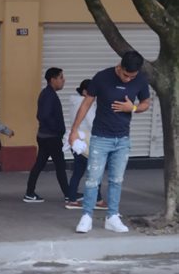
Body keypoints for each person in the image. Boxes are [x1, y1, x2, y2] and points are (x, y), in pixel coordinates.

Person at [71, 50, 151, 234]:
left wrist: (133, 107)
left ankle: (112, 217)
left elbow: (146, 102)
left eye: (132, 76)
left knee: (116, 180)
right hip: (100, 138)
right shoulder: (102, 77)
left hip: (123, 139)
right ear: (119, 66)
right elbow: (86, 104)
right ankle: (86, 217)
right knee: (93, 179)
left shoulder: (140, 80)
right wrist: (74, 130)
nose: (128, 79)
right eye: (125, 75)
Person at [23, 67, 70, 203]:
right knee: (60, 165)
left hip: (46, 136)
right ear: (52, 80)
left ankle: (30, 192)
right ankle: (68, 194)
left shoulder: (48, 93)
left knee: (39, 164)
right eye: (61, 77)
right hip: (51, 137)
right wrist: (57, 130)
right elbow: (43, 116)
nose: (63, 80)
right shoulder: (49, 95)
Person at [64, 79, 106, 211]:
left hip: (76, 142)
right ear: (85, 92)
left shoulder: (74, 103)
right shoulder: (85, 104)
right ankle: (97, 200)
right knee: (95, 171)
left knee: (78, 172)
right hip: (86, 142)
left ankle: (71, 199)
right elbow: (93, 123)